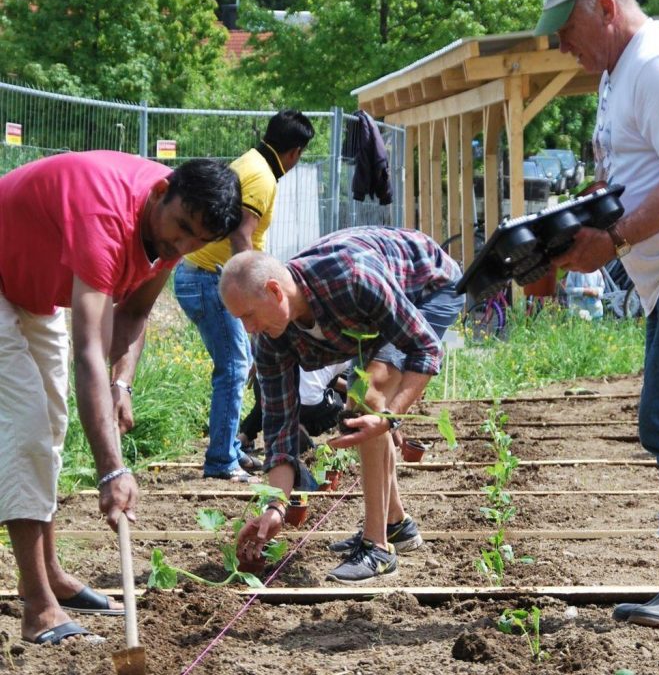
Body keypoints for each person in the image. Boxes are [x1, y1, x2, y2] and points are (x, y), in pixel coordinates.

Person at [0, 150, 242, 645]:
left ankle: (50, 574)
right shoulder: (106, 217)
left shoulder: (173, 226)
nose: (182, 245)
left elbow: (133, 313)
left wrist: (121, 385)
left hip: (29, 288)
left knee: (53, 425)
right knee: (25, 429)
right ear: (161, 192)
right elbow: (88, 349)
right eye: (181, 229)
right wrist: (112, 470)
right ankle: (38, 606)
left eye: (197, 241)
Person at [535, 0, 659, 626]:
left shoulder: (655, 64)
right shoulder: (616, 74)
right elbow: (630, 175)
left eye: (565, 29)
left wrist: (615, 240)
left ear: (604, 9)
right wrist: (567, 227)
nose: (559, 46)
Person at [218, 227, 463, 583]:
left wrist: (391, 417)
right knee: (361, 406)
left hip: (428, 286)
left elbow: (425, 347)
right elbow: (280, 428)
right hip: (378, 298)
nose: (249, 329)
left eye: (249, 316)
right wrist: (276, 507)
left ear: (274, 291)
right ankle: (397, 525)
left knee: (368, 397)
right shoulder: (271, 340)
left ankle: (378, 548)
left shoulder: (352, 278)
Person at [174, 109, 315, 483]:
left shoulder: (253, 163)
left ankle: (230, 449)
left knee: (241, 362)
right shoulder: (263, 177)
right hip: (209, 278)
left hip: (204, 276)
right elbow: (241, 234)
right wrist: (252, 296)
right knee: (235, 366)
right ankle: (221, 460)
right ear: (295, 152)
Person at [239, 361, 349, 454]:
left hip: (264, 382)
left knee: (268, 403)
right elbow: (331, 380)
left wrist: (253, 370)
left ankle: (242, 438)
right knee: (338, 408)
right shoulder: (347, 351)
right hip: (303, 402)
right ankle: (298, 428)